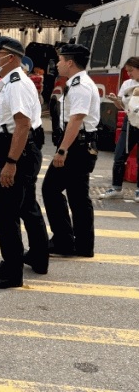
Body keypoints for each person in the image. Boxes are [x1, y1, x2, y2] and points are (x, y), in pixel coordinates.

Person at [0, 36, 48, 288]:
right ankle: (39, 256)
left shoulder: (16, 84)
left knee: (5, 214)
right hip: (17, 152)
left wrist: (10, 162)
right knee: (27, 206)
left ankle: (11, 271)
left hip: (18, 154)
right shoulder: (10, 82)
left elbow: (22, 125)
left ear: (10, 57)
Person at [42, 44, 100, 258]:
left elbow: (76, 119)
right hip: (81, 144)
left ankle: (64, 240)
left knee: (50, 189)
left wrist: (62, 150)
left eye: (60, 60)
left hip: (76, 146)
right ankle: (82, 245)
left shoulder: (80, 85)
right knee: (78, 196)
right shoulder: (78, 82)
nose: (57, 64)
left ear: (70, 62)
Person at [99, 56, 139, 201]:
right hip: (130, 120)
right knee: (119, 154)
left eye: (131, 70)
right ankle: (116, 188)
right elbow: (121, 106)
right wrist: (116, 100)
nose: (129, 74)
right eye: (127, 71)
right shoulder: (127, 84)